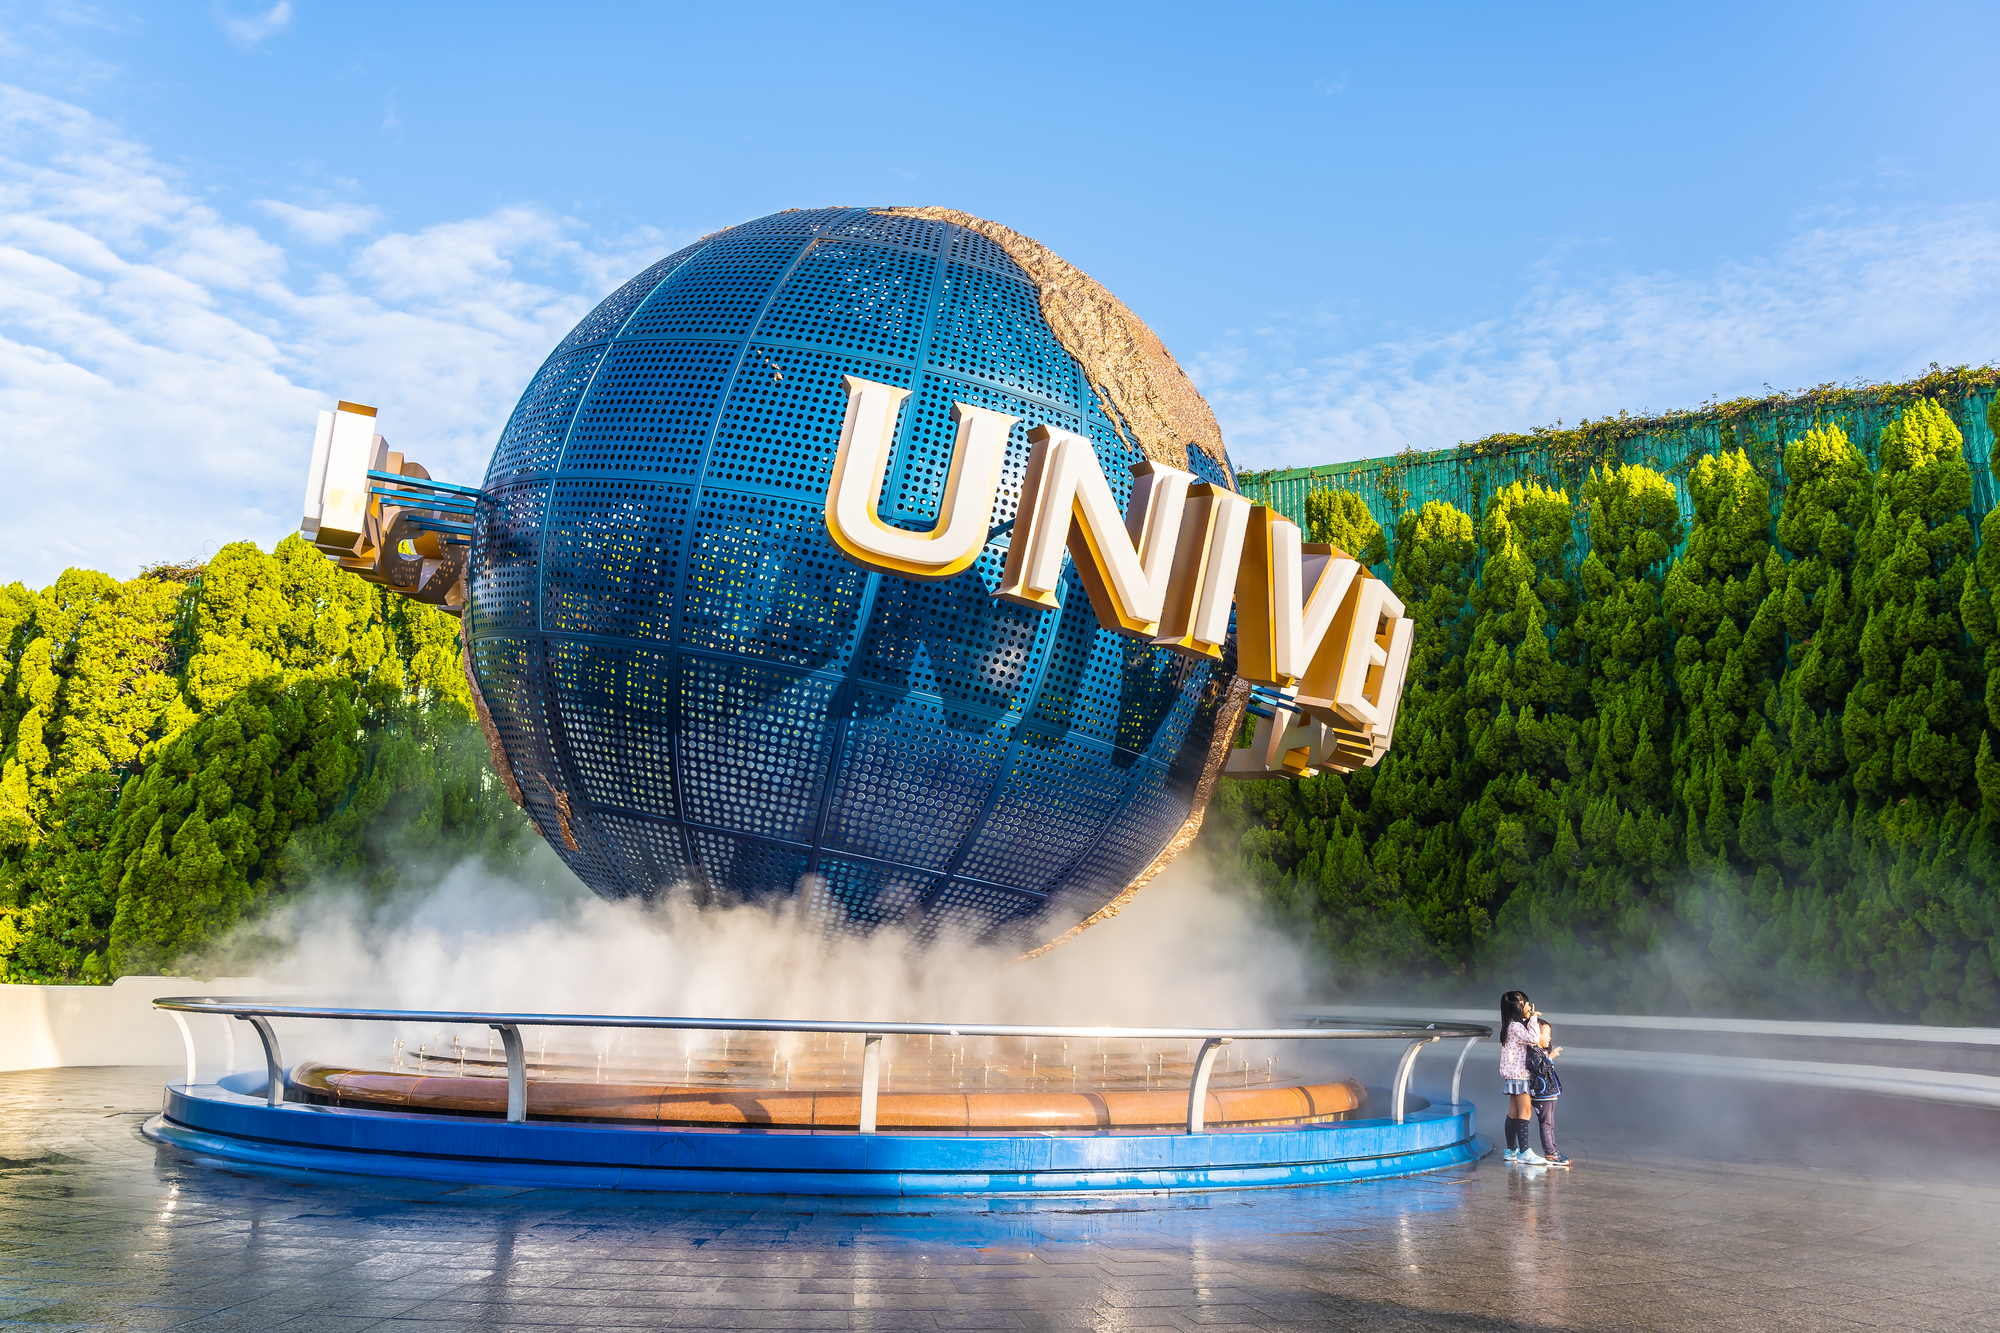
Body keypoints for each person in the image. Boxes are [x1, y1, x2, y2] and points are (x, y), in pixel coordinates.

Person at [1497, 991, 1547, 1165]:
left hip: (1513, 1076)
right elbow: (1534, 1038)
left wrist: (1529, 1018)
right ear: (1519, 1006)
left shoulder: (1510, 1025)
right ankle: (1524, 1152)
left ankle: (1511, 1149)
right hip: (1520, 1075)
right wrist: (1533, 1018)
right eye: (1526, 1004)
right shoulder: (1516, 1027)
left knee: (1513, 1112)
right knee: (1525, 1112)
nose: (1529, 1007)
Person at [1528, 1018, 1570, 1169]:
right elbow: (1539, 1069)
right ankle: (1550, 1153)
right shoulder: (1533, 1052)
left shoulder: (1543, 1051)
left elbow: (1547, 1048)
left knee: (1550, 1123)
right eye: (1546, 1033)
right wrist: (1550, 1057)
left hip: (1550, 1093)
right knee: (1546, 1124)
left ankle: (1554, 1150)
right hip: (1542, 1095)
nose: (1550, 1037)